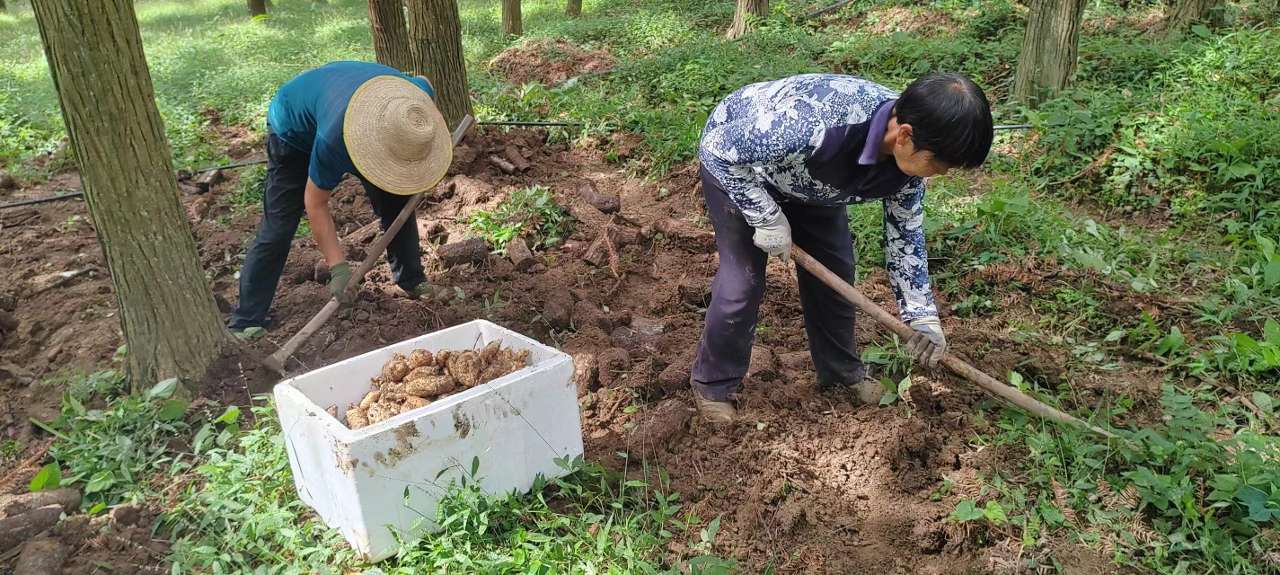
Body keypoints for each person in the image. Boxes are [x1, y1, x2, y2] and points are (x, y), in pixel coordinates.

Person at [691, 72, 994, 422]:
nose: (940, 174)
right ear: (905, 135)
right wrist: (764, 215)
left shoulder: (910, 166)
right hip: (745, 169)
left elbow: (906, 239)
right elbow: (717, 149)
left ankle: (840, 374)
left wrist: (921, 316)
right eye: (939, 165)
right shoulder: (814, 124)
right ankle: (713, 385)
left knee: (836, 276)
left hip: (813, 184)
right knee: (742, 283)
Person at [228, 61, 453, 333]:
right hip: (292, 128)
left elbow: (423, 79)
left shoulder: (414, 106)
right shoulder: (335, 140)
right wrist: (338, 268)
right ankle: (246, 320)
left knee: (397, 201)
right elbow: (315, 202)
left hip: (346, 100)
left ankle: (412, 280)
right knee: (279, 225)